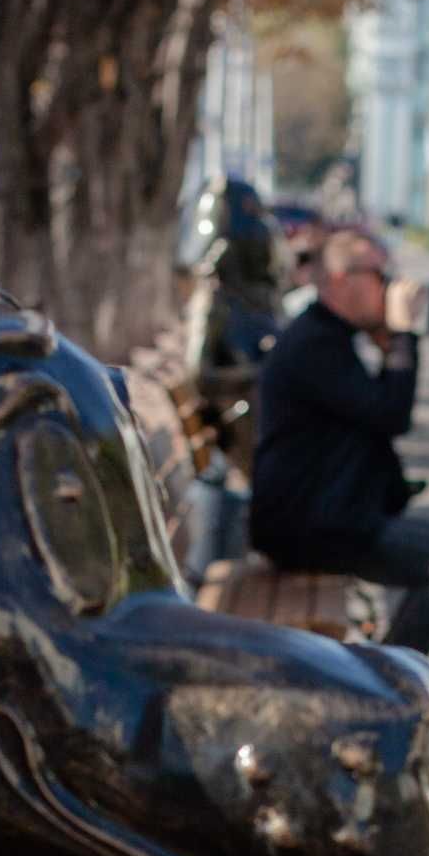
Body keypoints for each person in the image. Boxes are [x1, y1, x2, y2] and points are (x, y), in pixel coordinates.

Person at [250, 227, 429, 656]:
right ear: (340, 278)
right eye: (378, 274)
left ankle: (385, 679)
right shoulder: (313, 344)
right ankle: (387, 687)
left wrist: (390, 341)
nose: (388, 286)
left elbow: (377, 416)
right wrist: (404, 337)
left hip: (321, 518)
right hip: (309, 527)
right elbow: (392, 416)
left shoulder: (325, 336)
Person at [182, 176, 283, 582]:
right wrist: (261, 373)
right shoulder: (217, 304)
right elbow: (199, 375)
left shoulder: (254, 299)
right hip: (241, 434)